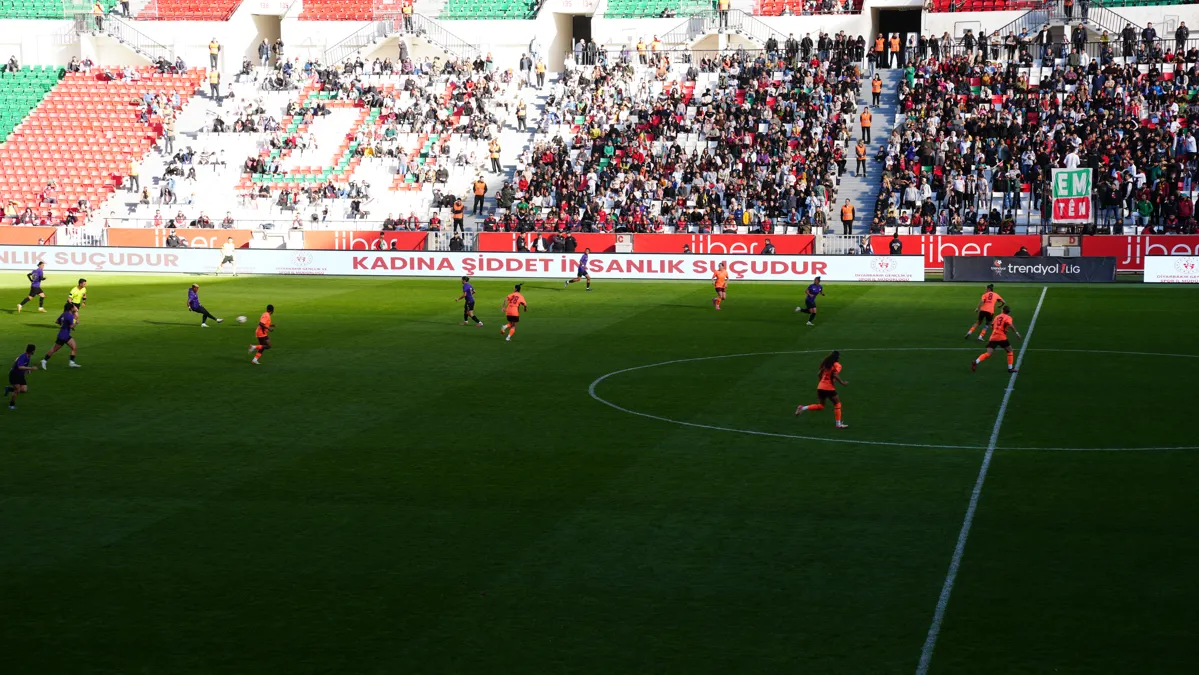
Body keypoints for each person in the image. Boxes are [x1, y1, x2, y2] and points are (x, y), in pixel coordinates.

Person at [794, 350, 849, 429]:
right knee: (837, 404)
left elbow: (819, 374)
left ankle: (802, 408)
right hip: (829, 388)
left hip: (820, 387)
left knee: (821, 406)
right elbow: (835, 374)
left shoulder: (826, 364)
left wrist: (822, 382)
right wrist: (842, 382)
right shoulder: (837, 365)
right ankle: (838, 424)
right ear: (837, 357)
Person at [972, 306, 1021, 373]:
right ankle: (1010, 368)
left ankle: (976, 361)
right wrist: (1017, 333)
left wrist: (1000, 329)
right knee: (1010, 351)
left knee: (988, 353)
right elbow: (1010, 325)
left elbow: (992, 326)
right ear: (1008, 312)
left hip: (993, 337)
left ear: (1002, 310)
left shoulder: (997, 317)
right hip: (1001, 337)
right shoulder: (1008, 317)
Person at [41, 302, 81, 369]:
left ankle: (72, 363)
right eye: (73, 307)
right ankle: (44, 360)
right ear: (71, 308)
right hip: (63, 336)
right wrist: (76, 323)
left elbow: (57, 321)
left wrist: (63, 325)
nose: (74, 308)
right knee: (54, 349)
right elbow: (71, 326)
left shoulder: (64, 314)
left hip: (65, 335)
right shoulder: (70, 316)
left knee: (74, 347)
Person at [5, 344, 38, 410]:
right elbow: (20, 367)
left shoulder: (28, 356)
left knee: (24, 390)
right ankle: (11, 405)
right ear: (32, 351)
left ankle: (8, 389)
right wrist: (31, 368)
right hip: (14, 375)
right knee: (17, 390)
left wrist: (27, 370)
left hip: (20, 375)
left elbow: (23, 365)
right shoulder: (23, 356)